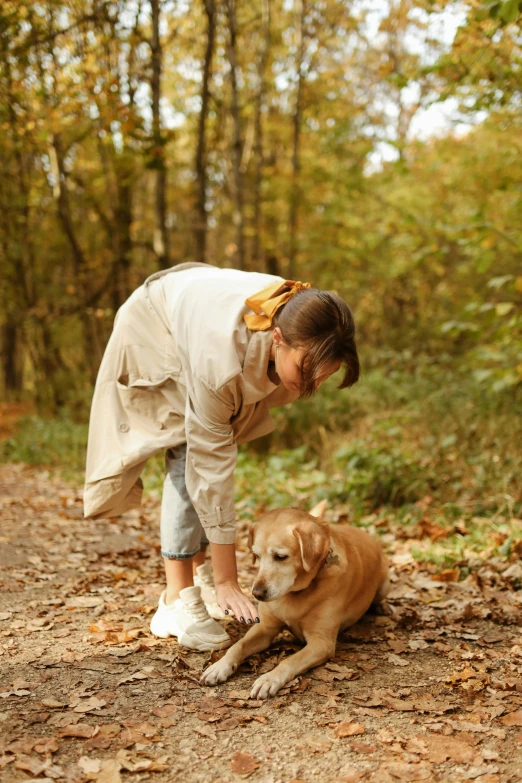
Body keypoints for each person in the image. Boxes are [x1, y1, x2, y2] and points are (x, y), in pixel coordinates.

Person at [84, 263, 360, 651]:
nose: (313, 384)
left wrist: (221, 569)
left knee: (205, 450)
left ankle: (200, 579)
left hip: (196, 313)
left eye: (324, 376)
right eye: (308, 370)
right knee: (187, 455)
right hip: (155, 325)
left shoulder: (305, 321)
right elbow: (208, 466)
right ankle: (176, 600)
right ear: (277, 339)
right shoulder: (219, 358)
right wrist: (230, 578)